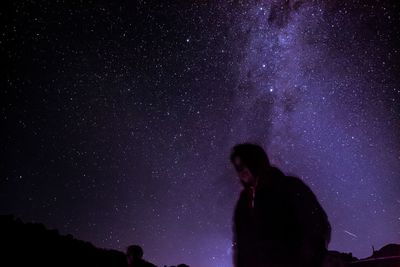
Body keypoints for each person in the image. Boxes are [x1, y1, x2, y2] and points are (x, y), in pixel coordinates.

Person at [231, 143, 331, 267]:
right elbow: (241, 244)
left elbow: (317, 225)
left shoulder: (289, 187)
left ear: (255, 161)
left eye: (243, 164)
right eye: (237, 167)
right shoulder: (243, 203)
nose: (241, 171)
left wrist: (309, 260)